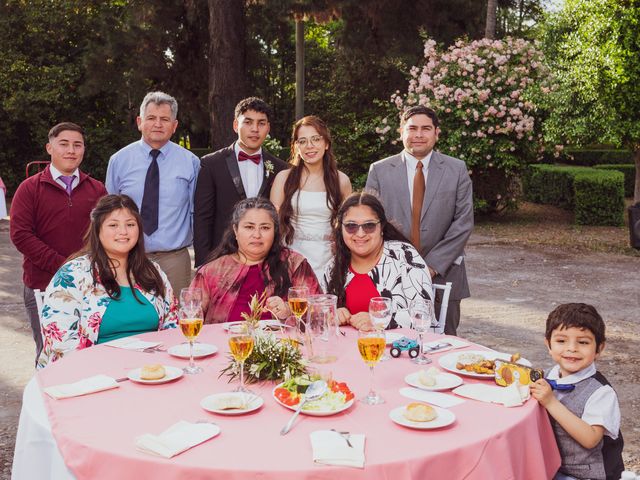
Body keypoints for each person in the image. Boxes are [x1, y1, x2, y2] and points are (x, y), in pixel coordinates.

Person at [365, 105, 473, 335]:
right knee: (390, 336)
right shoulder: (379, 171)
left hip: (445, 272)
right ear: (401, 131)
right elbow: (370, 222)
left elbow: (463, 222)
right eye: (412, 128)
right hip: (393, 272)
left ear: (436, 133)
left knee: (445, 339)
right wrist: (402, 261)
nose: (419, 135)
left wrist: (432, 265)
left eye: (426, 129)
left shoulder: (456, 169)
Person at [37, 195, 178, 368]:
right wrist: (110, 367)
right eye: (113, 225)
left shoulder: (152, 271)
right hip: (93, 372)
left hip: (151, 369)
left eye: (130, 224)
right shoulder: (73, 274)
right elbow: (60, 343)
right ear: (97, 230)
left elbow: (173, 326)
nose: (123, 231)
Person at [10, 122, 107, 363]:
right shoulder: (29, 189)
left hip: (90, 286)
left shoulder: (97, 189)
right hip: (42, 285)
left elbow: (106, 235)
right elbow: (21, 235)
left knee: (89, 351)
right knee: (50, 354)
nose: (71, 150)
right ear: (49, 148)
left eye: (77, 145)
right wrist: (65, 267)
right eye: (64, 144)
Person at [106, 91, 200, 295]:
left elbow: (196, 212)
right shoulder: (119, 161)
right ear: (140, 122)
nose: (158, 124)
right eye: (151, 118)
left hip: (174, 259)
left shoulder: (191, 162)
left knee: (174, 320)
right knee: (134, 319)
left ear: (174, 126)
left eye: (165, 119)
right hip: (128, 256)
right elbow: (108, 215)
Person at [190, 197, 321, 324]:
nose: (257, 235)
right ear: (235, 230)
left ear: (274, 231)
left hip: (283, 344)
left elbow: (319, 312)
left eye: (265, 228)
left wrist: (289, 310)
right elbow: (190, 316)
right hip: (226, 344)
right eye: (249, 227)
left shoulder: (294, 264)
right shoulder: (211, 272)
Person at [530, 303, 624, 480]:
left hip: (584, 474)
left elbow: (590, 439)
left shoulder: (601, 392)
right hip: (552, 465)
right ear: (548, 344)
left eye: (582, 342)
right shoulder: (551, 374)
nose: (571, 348)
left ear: (599, 348)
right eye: (561, 341)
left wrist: (551, 402)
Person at [193, 97, 288, 267]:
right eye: (248, 122)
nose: (255, 129)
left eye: (261, 123)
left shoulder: (280, 169)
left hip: (266, 259)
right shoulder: (211, 164)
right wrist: (203, 263)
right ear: (236, 125)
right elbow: (202, 218)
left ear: (268, 128)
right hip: (221, 256)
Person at [324, 192, 433, 331]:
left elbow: (424, 312)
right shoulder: (334, 266)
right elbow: (321, 314)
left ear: (381, 227)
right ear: (341, 228)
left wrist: (378, 319)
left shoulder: (404, 256)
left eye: (369, 225)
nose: (360, 234)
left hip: (402, 348)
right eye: (351, 226)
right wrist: (333, 314)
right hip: (350, 348)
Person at [270, 115, 352, 280]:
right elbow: (272, 224)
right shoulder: (283, 178)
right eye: (303, 141)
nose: (310, 146)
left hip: (329, 258)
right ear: (296, 146)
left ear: (326, 143)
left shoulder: (341, 180)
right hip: (291, 256)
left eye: (316, 139)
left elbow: (349, 224)